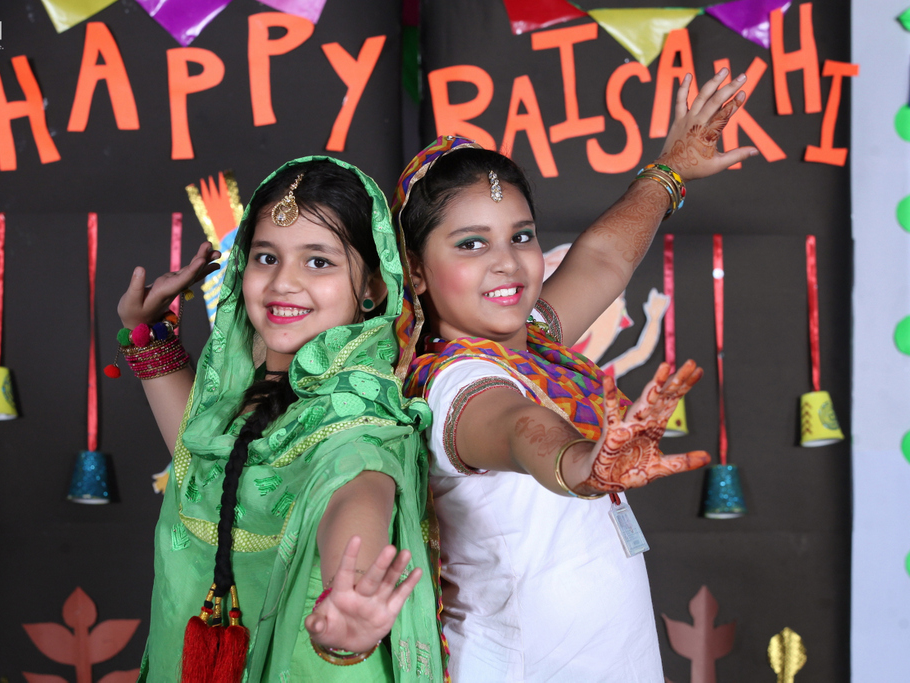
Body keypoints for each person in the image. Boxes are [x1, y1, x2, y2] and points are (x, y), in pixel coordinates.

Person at [391, 70, 756, 681]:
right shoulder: (453, 384)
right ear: (417, 271)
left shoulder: (531, 342)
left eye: (522, 236)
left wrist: (669, 171)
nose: (506, 261)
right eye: (471, 245)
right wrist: (584, 464)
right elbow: (513, 427)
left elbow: (603, 258)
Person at [117, 157, 445, 681]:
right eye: (266, 257)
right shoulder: (236, 397)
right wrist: (146, 332)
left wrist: (352, 594)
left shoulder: (361, 417)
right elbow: (197, 457)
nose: (282, 283)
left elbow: (359, 486)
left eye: (318, 262)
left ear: (374, 289)